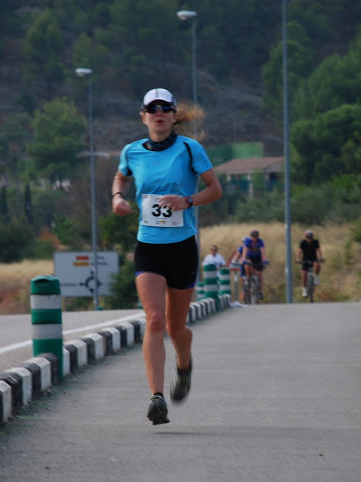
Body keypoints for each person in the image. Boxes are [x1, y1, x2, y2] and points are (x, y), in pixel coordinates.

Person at [111, 87, 222, 425]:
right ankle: (157, 397)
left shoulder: (190, 149)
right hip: (148, 246)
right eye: (152, 108)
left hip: (182, 246)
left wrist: (187, 201)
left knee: (176, 328)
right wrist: (117, 197)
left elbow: (215, 189)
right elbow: (121, 176)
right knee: (155, 320)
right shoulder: (132, 151)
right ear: (143, 116)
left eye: (165, 108)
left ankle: (184, 365)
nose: (158, 113)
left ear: (174, 115)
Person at [240, 230, 268, 299]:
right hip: (250, 257)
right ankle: (248, 278)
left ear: (258, 237)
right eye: (252, 236)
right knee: (247, 264)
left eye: (255, 236)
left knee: (260, 275)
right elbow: (245, 250)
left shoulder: (260, 241)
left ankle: (260, 292)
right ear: (251, 236)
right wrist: (243, 259)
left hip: (258, 258)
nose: (254, 238)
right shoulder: (248, 241)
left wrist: (265, 260)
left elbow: (263, 251)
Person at [297, 229, 323, 297]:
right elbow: (299, 251)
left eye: (310, 237)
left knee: (317, 265)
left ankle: (316, 277)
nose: (309, 239)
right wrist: (298, 259)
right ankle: (304, 290)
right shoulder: (303, 242)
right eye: (307, 237)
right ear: (305, 237)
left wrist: (321, 258)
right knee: (304, 274)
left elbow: (319, 250)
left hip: (313, 258)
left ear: (312, 237)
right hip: (305, 259)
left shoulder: (315, 242)